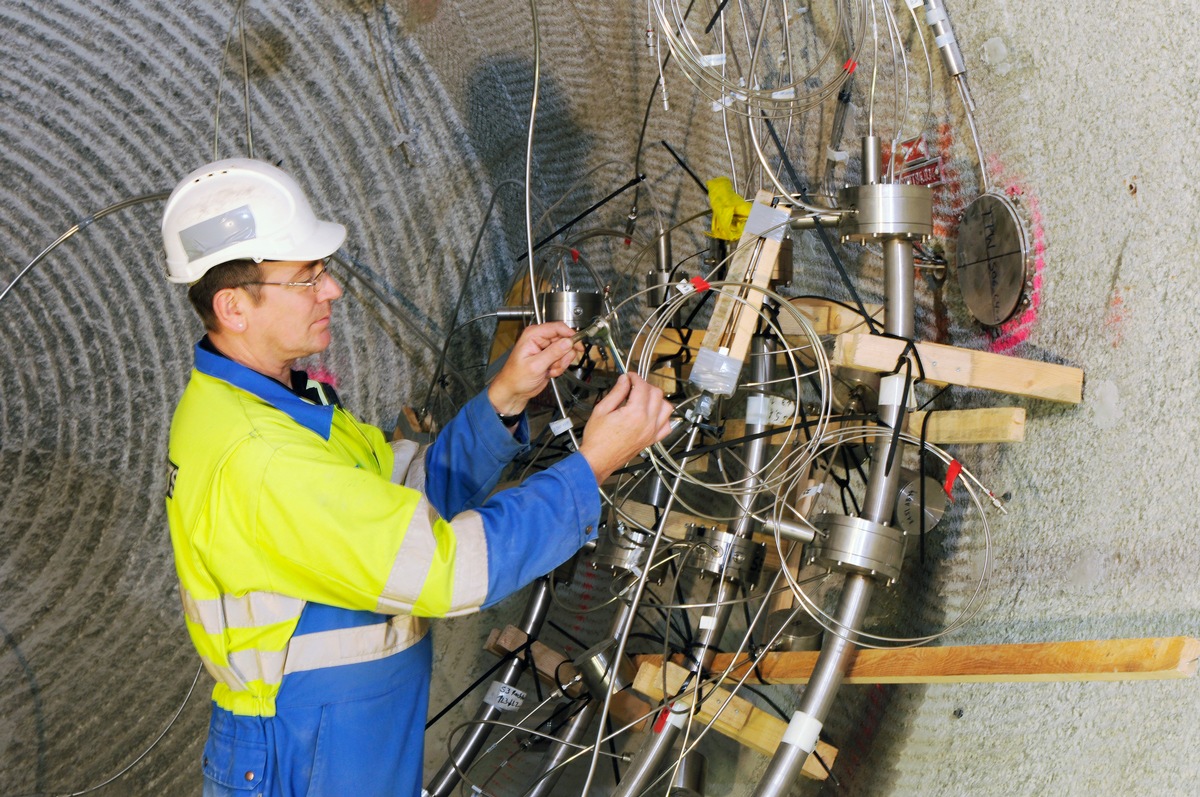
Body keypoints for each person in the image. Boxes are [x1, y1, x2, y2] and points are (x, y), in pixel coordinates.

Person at [161, 158, 674, 797]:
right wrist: (591, 466)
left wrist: (502, 401)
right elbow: (445, 569)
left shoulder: (278, 401)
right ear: (234, 306)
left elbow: (399, 498)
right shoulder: (262, 454)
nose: (333, 291)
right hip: (304, 749)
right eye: (307, 278)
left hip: (347, 736)